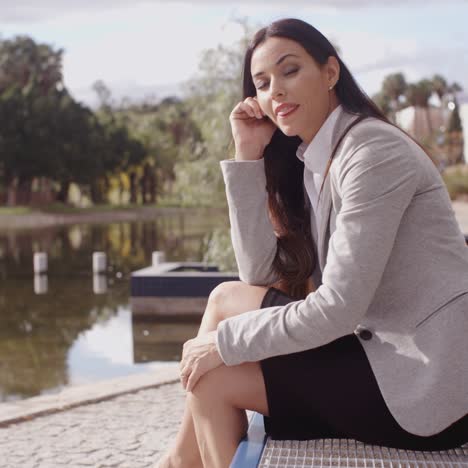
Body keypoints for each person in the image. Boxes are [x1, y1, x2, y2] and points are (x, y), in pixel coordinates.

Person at [158, 17, 468, 468]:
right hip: (380, 348)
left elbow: (339, 307)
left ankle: (174, 464)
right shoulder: (319, 159)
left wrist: (224, 344)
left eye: (290, 71)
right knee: (226, 296)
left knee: (215, 378)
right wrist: (247, 156)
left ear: (330, 72)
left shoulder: (370, 153)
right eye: (262, 83)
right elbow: (258, 277)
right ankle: (175, 463)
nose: (275, 91)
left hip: (426, 385)